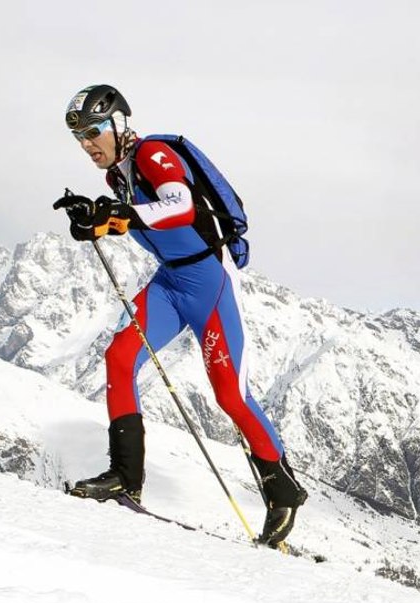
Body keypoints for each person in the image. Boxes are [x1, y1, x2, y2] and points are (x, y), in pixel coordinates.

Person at [51, 84, 306, 548]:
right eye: (80, 138)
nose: (87, 145)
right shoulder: (118, 176)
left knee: (230, 395)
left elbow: (179, 206)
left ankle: (283, 491)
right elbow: (133, 220)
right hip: (170, 283)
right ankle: (125, 477)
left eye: (93, 132)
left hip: (210, 283)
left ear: (117, 124)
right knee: (119, 357)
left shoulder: (153, 154)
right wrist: (93, 221)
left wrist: (121, 211)